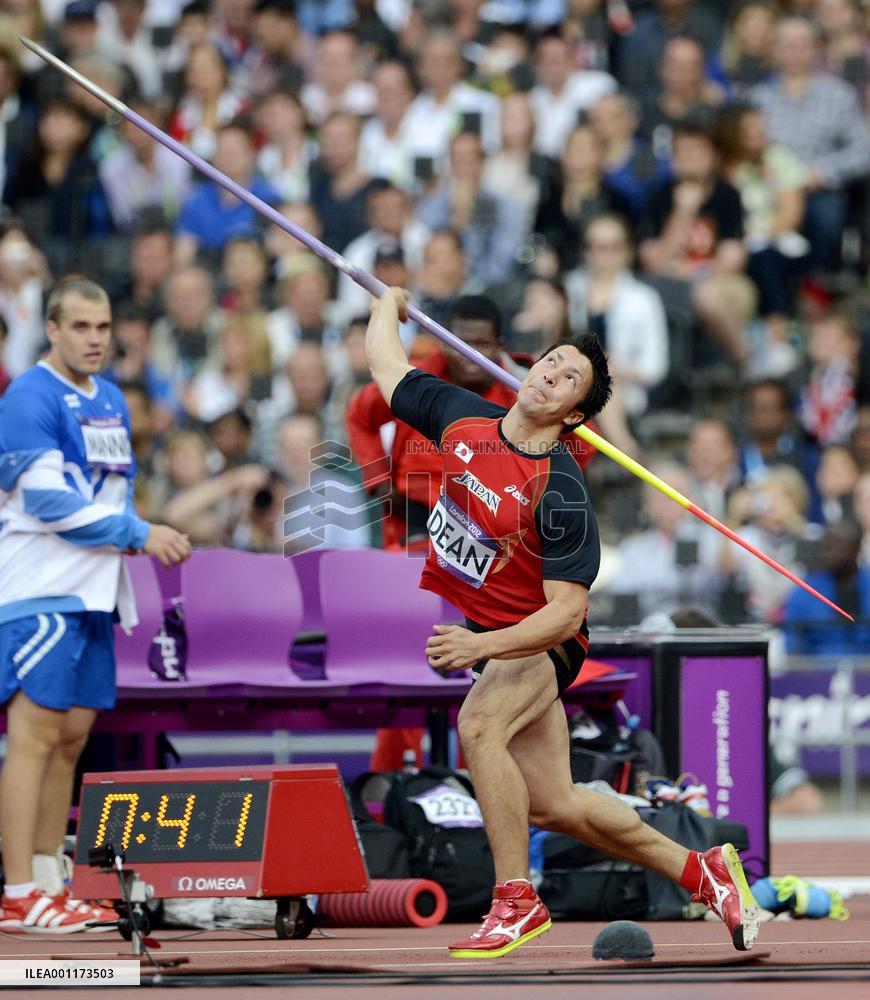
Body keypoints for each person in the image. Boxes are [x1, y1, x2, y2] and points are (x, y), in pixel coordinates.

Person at [364, 285, 760, 957]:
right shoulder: (462, 418)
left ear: (575, 412)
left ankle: (516, 900)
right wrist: (387, 304)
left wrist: (479, 645)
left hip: (541, 641)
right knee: (555, 803)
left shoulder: (561, 487)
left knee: (478, 723)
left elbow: (567, 612)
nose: (550, 373)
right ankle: (704, 871)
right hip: (501, 641)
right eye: (551, 360)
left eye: (568, 376)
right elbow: (389, 371)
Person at [0, 278, 191, 933]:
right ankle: (18, 891)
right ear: (51, 328)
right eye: (81, 327)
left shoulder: (109, 399)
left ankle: (48, 878)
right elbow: (47, 501)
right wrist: (140, 535)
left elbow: (115, 492)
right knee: (32, 740)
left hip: (94, 592)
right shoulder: (29, 396)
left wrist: (128, 540)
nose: (95, 339)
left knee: (71, 738)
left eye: (104, 327)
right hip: (39, 588)